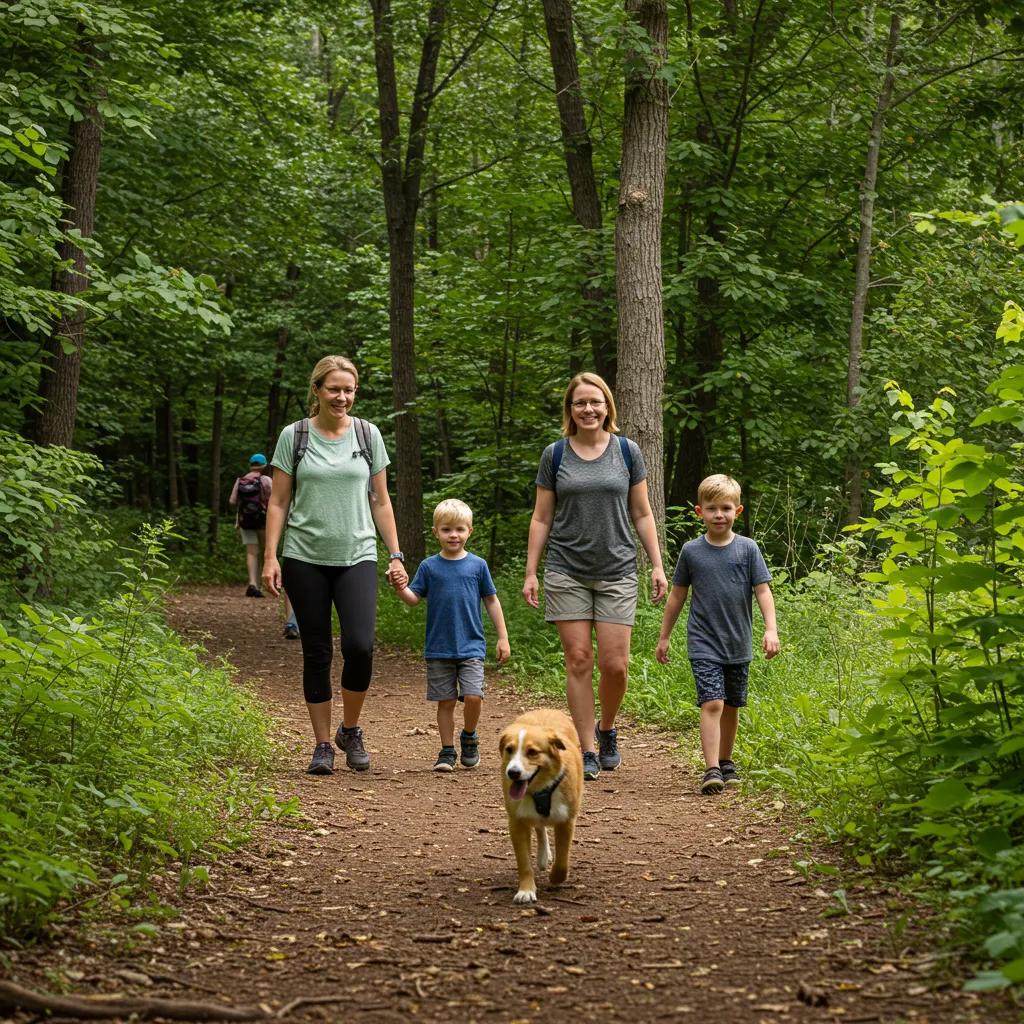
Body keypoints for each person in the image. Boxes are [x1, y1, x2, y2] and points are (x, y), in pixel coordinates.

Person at [261, 355, 408, 776]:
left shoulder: (367, 434)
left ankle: (351, 728)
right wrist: (271, 556)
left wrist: (395, 553)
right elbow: (278, 501)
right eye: (333, 389)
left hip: (357, 554)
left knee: (360, 646)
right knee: (317, 651)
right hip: (304, 556)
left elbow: (381, 500)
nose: (341, 397)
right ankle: (323, 744)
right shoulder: (295, 435)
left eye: (348, 390)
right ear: (317, 391)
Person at [523, 372, 668, 781]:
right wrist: (531, 571)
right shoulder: (555, 455)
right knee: (579, 660)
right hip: (566, 568)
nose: (588, 409)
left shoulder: (626, 451)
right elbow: (541, 516)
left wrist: (657, 564)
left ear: (608, 407)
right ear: (570, 410)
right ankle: (586, 748)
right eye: (580, 403)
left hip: (618, 569)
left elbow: (642, 512)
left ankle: (607, 730)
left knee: (615, 665)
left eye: (595, 402)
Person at [655, 474, 780, 795]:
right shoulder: (692, 551)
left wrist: (770, 629)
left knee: (732, 705)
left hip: (738, 642)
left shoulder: (748, 550)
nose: (719, 515)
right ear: (700, 512)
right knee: (712, 703)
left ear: (738, 511)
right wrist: (664, 636)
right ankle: (711, 768)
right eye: (712, 509)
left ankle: (726, 761)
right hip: (703, 642)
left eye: (726, 508)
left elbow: (763, 591)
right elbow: (677, 596)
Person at [390, 499, 511, 772]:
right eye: (446, 529)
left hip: (471, 645)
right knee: (445, 702)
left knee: (473, 696)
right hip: (439, 647)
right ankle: (446, 751)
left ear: (470, 531)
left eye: (459, 529)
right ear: (436, 532)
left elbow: (491, 601)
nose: (453, 535)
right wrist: (400, 587)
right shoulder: (429, 567)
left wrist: (502, 637)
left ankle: (469, 735)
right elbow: (413, 599)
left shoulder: (478, 566)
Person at [228, 453, 272, 597]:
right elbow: (275, 500)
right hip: (263, 520)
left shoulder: (240, 480)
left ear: (251, 465)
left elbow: (232, 501)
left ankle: (252, 583)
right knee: (265, 552)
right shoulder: (266, 480)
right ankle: (263, 584)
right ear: (264, 466)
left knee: (251, 552)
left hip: (245, 521)